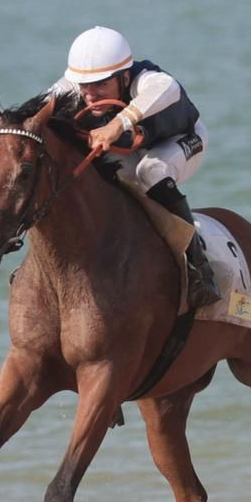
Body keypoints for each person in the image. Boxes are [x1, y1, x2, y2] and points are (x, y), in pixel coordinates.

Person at [51, 25, 221, 308]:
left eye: (101, 85)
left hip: (183, 140)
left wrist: (119, 123)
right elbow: (36, 112)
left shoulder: (147, 80)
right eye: (85, 86)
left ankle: (199, 270)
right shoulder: (72, 87)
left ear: (125, 76)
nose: (90, 95)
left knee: (150, 172)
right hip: (135, 148)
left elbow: (168, 87)